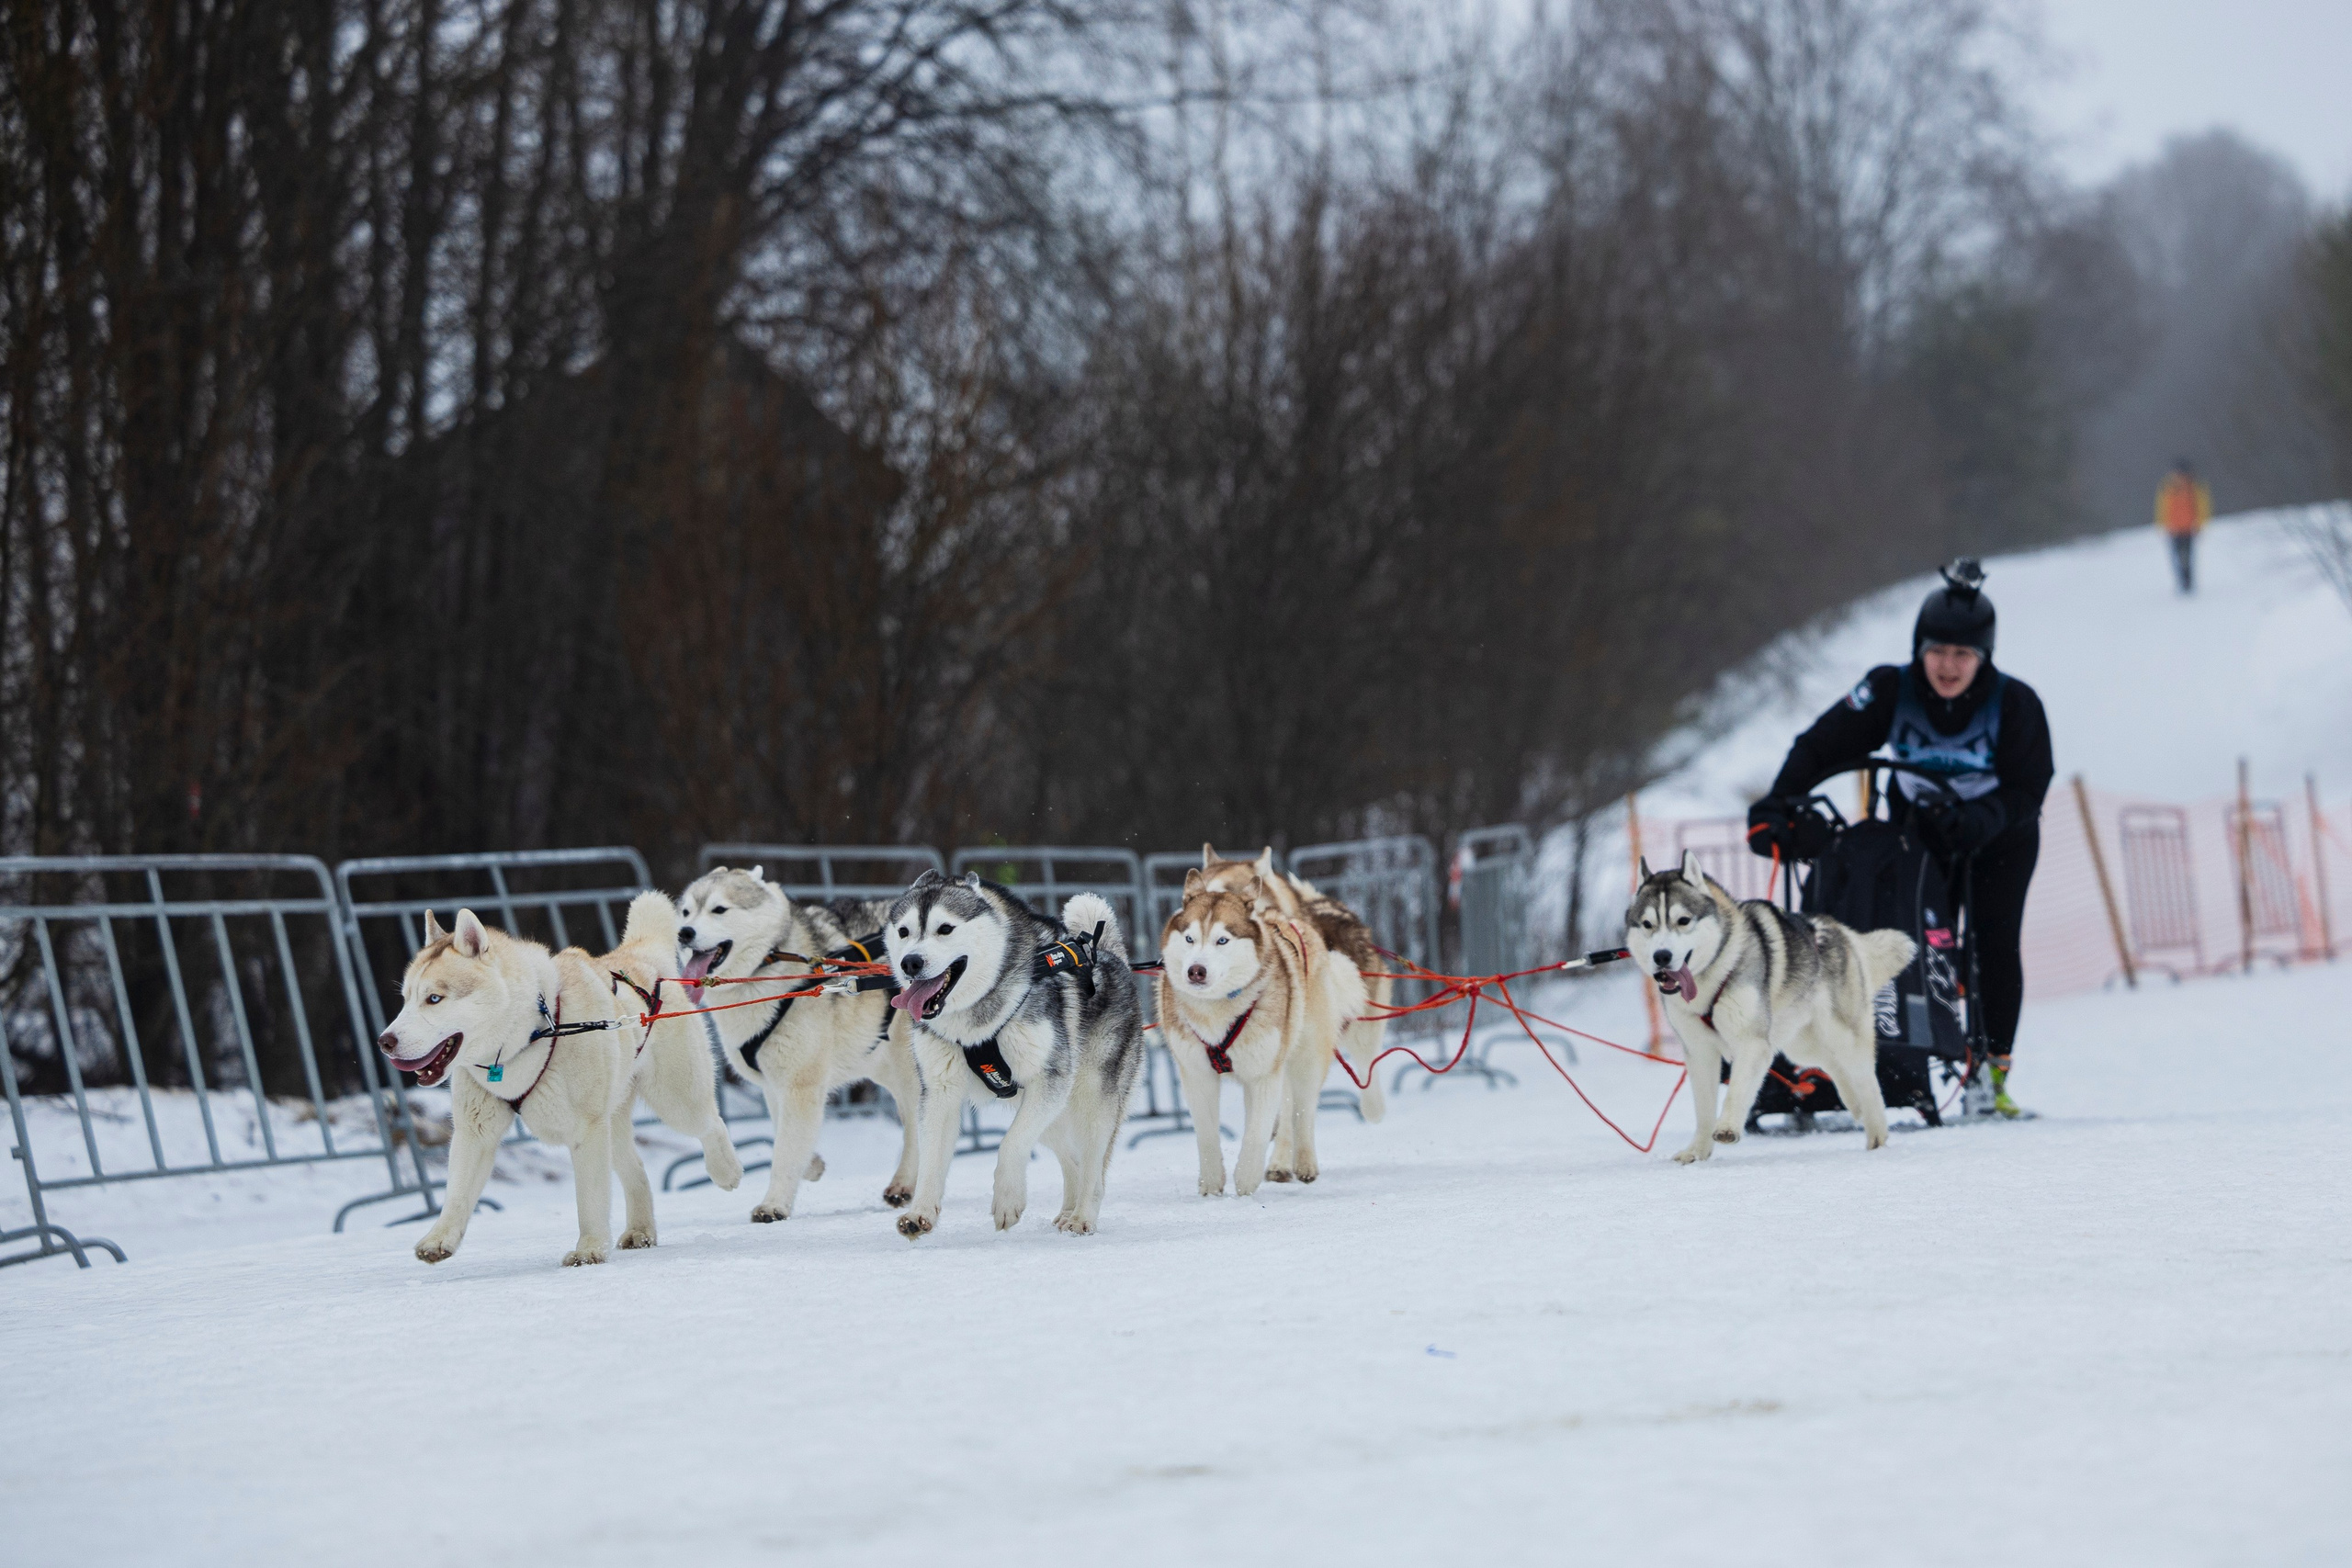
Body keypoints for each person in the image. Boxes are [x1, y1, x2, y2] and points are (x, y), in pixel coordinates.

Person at [1744, 559, 2053, 1117]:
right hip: (1923, 836)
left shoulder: (2015, 703)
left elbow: (2031, 786)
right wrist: (1777, 804)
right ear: (1919, 648)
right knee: (1911, 945)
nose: (1949, 666)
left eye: (1964, 655)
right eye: (1937, 652)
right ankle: (1883, 1060)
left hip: (1999, 839)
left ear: (1984, 657)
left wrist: (1981, 819)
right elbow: (1820, 746)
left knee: (1991, 945)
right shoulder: (1891, 688)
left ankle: (1989, 1077)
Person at [2155, 457, 2211, 594]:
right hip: (2174, 528)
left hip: (2188, 527)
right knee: (2178, 556)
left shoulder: (2194, 486)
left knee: (2186, 556)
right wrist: (2162, 523)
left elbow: (2202, 505)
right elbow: (2162, 506)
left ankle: (2187, 582)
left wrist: (2201, 522)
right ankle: (2184, 581)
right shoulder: (2168, 486)